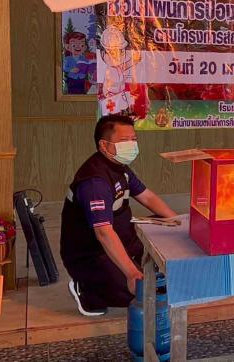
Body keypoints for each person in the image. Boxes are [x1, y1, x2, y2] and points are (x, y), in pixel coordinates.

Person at [61, 114, 177, 316]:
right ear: (104, 145)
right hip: (93, 253)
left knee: (164, 273)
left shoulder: (119, 168)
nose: (131, 145)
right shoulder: (95, 182)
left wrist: (179, 222)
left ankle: (126, 267)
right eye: (124, 141)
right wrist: (131, 273)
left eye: (134, 139)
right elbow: (103, 233)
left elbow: (147, 197)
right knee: (139, 293)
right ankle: (86, 288)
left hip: (126, 240)